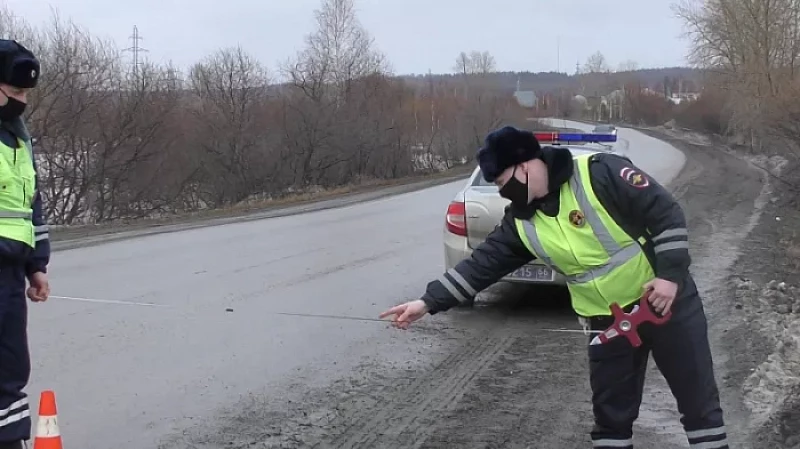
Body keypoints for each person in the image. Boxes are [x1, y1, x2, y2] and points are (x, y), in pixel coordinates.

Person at [380, 126, 728, 449]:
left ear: (528, 164)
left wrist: (669, 276)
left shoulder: (600, 173)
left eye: (505, 181)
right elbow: (480, 266)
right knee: (610, 420)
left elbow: (665, 213)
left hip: (664, 304)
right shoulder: (521, 219)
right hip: (607, 322)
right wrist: (426, 302)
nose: (504, 191)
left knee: (698, 405)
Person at [0, 39, 50, 449]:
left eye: (25, 95)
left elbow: (31, 208)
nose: (21, 103)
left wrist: (37, 266)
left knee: (11, 369)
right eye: (14, 93)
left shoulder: (19, 140)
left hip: (11, 276)